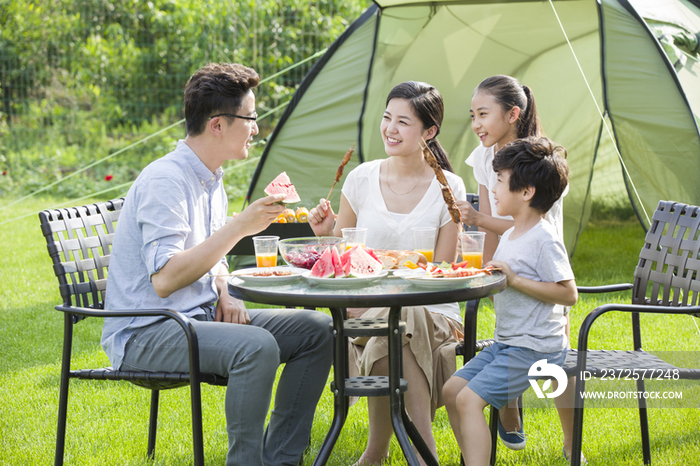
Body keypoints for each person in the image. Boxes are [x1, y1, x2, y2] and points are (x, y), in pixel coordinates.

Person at [101, 63, 332, 466]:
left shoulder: (211, 177)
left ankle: (280, 460)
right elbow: (166, 278)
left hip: (199, 316)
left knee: (317, 329)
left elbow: (212, 257)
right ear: (218, 125)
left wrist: (224, 288)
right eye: (251, 118)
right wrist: (241, 226)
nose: (257, 129)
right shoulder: (165, 180)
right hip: (148, 332)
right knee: (256, 347)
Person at [307, 81, 466, 466]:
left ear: (429, 132)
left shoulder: (449, 185)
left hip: (433, 311)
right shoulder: (360, 179)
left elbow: (440, 273)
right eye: (386, 118)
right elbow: (344, 257)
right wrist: (326, 233)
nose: (390, 129)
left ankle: (378, 452)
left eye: (403, 122)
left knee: (402, 318)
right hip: (366, 306)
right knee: (393, 328)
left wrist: (387, 295)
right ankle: (418, 452)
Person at [455, 75, 578, 460]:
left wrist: (477, 218)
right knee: (511, 336)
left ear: (512, 114)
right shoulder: (483, 157)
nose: (476, 123)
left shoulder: (539, 164)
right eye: (472, 114)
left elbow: (527, 225)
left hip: (542, 265)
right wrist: (486, 269)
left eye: (483, 114)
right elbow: (498, 222)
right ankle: (508, 412)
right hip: (511, 258)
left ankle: (572, 447)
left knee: (554, 357)